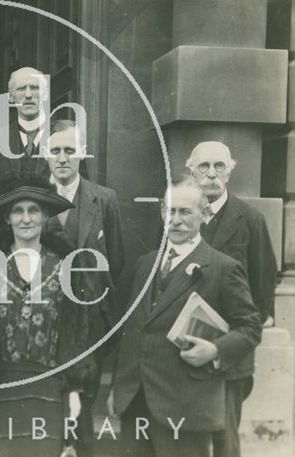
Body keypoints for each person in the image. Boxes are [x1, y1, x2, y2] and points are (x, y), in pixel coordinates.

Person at [111, 179, 262, 457]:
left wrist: (216, 349)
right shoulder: (145, 264)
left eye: (185, 212)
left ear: (204, 216)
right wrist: (117, 388)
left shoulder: (223, 267)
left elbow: (251, 327)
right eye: (170, 211)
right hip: (134, 399)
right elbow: (133, 329)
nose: (176, 220)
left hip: (185, 403)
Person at [0, 174, 96, 457]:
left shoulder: (68, 265)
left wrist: (73, 389)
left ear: (45, 215)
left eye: (33, 210)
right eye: (18, 211)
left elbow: (77, 334)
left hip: (48, 386)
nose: (26, 218)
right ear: (7, 218)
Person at [186, 141, 277, 457]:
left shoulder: (250, 220)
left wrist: (234, 339)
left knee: (225, 441)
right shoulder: (182, 218)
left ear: (230, 171)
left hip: (229, 352)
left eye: (219, 166)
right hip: (185, 348)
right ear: (191, 171)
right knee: (187, 439)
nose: (211, 174)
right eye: (204, 167)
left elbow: (263, 291)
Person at [45, 119, 125, 457]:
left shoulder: (103, 199)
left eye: (70, 151)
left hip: (90, 318)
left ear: (81, 154)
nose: (62, 158)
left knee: (84, 407)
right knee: (49, 403)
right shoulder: (33, 198)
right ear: (45, 155)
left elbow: (116, 261)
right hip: (45, 318)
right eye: (55, 151)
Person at [0, 67, 52, 186]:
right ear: (10, 97)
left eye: (35, 88)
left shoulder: (63, 137)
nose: (28, 95)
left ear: (45, 94)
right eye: (21, 89)